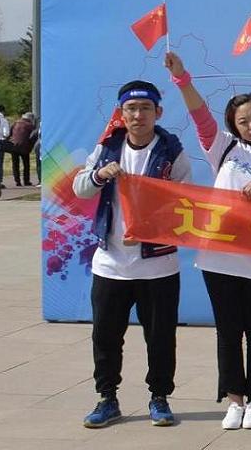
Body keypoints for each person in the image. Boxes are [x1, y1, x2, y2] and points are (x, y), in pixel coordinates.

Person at [164, 51, 251, 430]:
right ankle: (234, 400)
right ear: (234, 126)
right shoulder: (224, 148)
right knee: (228, 331)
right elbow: (200, 115)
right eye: (243, 121)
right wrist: (182, 78)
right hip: (219, 257)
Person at [73, 80, 193, 428]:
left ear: (158, 112)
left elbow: (186, 199)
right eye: (131, 109)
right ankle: (107, 398)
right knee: (105, 336)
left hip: (158, 265)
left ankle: (160, 397)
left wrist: (157, 208)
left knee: (160, 337)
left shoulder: (171, 151)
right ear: (121, 114)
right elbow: (80, 188)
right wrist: (99, 175)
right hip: (111, 264)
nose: (138, 115)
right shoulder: (107, 147)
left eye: (145, 108)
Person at [8, 112, 37, 187]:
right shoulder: (30, 125)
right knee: (26, 164)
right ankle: (26, 181)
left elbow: (9, 134)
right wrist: (31, 146)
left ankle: (17, 181)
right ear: (30, 119)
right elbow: (33, 136)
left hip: (14, 146)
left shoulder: (15, 123)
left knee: (15, 164)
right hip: (25, 146)